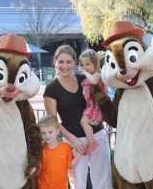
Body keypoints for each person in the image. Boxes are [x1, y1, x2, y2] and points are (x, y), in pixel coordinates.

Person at [43, 44, 112, 189]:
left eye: (68, 61)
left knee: (104, 183)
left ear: (75, 62)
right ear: (54, 61)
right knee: (78, 184)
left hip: (97, 136)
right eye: (60, 61)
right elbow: (53, 123)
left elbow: (102, 98)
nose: (64, 66)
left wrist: (100, 115)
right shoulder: (51, 89)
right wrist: (74, 141)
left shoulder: (85, 79)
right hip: (74, 142)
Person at [37, 115, 82, 189]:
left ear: (57, 131)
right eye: (43, 133)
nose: (47, 135)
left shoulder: (65, 147)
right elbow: (37, 169)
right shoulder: (40, 150)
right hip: (43, 187)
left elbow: (69, 165)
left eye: (50, 132)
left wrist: (79, 155)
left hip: (62, 187)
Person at [78, 49, 107, 155]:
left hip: (95, 106)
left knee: (83, 121)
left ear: (95, 64)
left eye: (87, 64)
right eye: (82, 65)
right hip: (91, 106)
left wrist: (85, 72)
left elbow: (94, 81)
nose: (84, 67)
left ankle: (92, 142)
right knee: (86, 122)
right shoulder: (90, 75)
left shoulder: (97, 74)